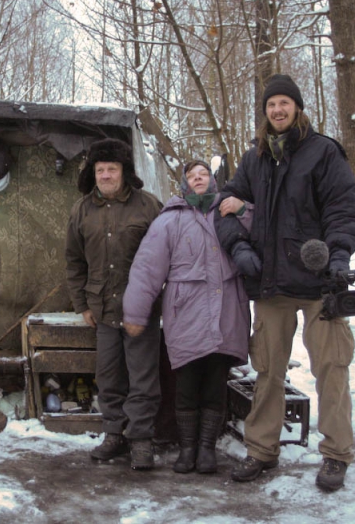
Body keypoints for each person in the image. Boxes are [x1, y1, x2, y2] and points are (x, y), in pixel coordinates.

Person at [215, 74, 355, 492]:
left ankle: (336, 454)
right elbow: (222, 210)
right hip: (272, 284)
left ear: (297, 107)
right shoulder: (254, 159)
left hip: (320, 285)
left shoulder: (323, 153)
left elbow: (343, 211)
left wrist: (337, 258)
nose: (277, 110)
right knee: (267, 371)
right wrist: (241, 251)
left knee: (332, 369)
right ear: (264, 113)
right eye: (270, 105)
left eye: (284, 102)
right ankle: (262, 450)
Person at [122, 160, 252, 474]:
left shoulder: (231, 212)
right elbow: (147, 269)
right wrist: (135, 312)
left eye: (203, 174)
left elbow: (261, 229)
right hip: (186, 312)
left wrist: (245, 208)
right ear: (183, 183)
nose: (198, 179)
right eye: (192, 175)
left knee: (216, 383)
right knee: (187, 384)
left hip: (227, 311)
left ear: (214, 182)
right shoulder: (171, 220)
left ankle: (206, 449)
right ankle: (187, 448)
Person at [65, 138, 163, 470]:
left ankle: (141, 441)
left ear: (125, 171)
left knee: (143, 379)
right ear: (93, 173)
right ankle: (113, 434)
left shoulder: (149, 207)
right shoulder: (81, 210)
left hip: (140, 313)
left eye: (112, 169)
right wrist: (82, 305)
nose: (106, 175)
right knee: (108, 378)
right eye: (100, 169)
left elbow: (166, 260)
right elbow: (74, 262)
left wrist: (156, 305)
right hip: (102, 312)